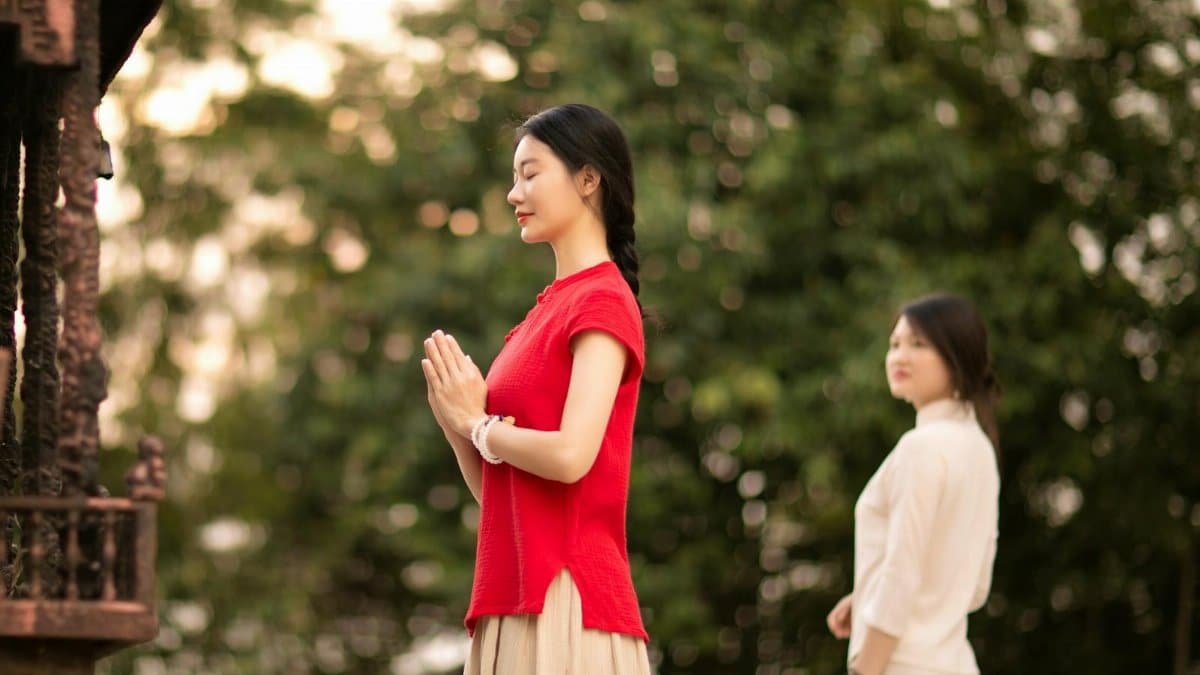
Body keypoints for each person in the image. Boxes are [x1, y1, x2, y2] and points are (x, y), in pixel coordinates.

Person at [420, 103, 652, 675]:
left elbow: (573, 456)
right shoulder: (540, 315)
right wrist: (457, 426)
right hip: (511, 598)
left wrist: (479, 426)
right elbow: (503, 497)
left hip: (569, 603)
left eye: (530, 173)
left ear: (588, 179)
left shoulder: (600, 299)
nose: (511, 192)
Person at [827, 294, 1001, 675]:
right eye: (895, 344)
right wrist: (866, 596)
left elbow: (902, 575)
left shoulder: (920, 448)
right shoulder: (979, 448)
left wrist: (865, 670)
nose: (899, 357)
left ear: (957, 356)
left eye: (919, 344)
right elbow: (973, 587)